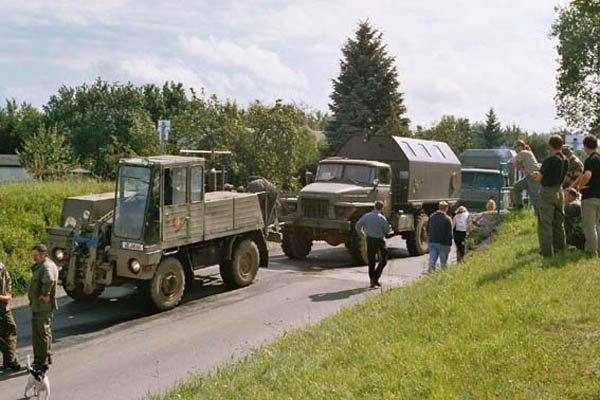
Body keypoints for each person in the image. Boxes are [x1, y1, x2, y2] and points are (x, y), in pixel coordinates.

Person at [532, 135, 569, 257]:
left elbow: (539, 178)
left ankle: (547, 252)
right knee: (558, 222)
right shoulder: (565, 160)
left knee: (545, 223)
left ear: (550, 146)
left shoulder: (549, 160)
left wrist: (535, 175)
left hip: (547, 192)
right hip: (559, 191)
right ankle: (561, 248)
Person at [28, 244, 59, 371]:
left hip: (42, 306)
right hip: (39, 306)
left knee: (40, 334)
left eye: (35, 255)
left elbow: (49, 280)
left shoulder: (46, 266)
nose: (34, 258)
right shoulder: (44, 265)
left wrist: (44, 294)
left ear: (43, 255)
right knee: (45, 332)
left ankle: (41, 361)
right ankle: (47, 356)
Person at [570, 135, 600, 256]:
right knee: (598, 225)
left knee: (589, 226)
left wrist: (580, 187)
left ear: (586, 146)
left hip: (590, 197)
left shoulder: (590, 160)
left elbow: (587, 175)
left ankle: (591, 251)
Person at [355, 201, 392, 288]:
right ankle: (376, 277)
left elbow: (358, 225)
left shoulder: (366, 216)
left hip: (370, 239)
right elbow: (387, 231)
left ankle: (372, 280)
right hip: (380, 240)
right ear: (382, 208)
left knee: (371, 261)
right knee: (383, 261)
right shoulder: (382, 218)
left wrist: (362, 234)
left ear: (374, 207)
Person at [510, 140, 541, 214]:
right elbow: (519, 168)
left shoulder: (523, 153)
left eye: (515, 147)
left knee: (534, 196)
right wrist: (518, 163)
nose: (514, 149)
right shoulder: (527, 153)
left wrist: (514, 162)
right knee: (517, 187)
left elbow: (512, 161)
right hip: (530, 176)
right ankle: (518, 206)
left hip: (533, 176)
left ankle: (539, 214)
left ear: (520, 147)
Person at [0, 262, 20, 371]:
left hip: (4, 307)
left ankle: (8, 360)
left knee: (10, 330)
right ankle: (11, 360)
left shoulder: (1, 267)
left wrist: (7, 295)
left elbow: (8, 283)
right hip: (3, 303)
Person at [427, 201, 453, 272]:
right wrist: (449, 245)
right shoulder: (447, 219)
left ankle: (431, 275)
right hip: (443, 243)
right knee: (443, 263)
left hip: (432, 242)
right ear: (446, 208)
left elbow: (427, 228)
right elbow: (449, 233)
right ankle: (443, 276)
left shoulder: (432, 216)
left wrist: (429, 238)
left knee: (432, 261)